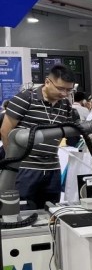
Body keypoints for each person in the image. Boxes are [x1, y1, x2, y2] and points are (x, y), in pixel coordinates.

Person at [1, 64, 79, 209]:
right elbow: (6, 130)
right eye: (60, 88)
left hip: (52, 168)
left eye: (69, 90)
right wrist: (13, 160)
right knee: (21, 211)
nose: (64, 93)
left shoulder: (65, 105)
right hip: (25, 168)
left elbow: (66, 132)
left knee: (50, 211)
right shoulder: (25, 98)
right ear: (47, 81)